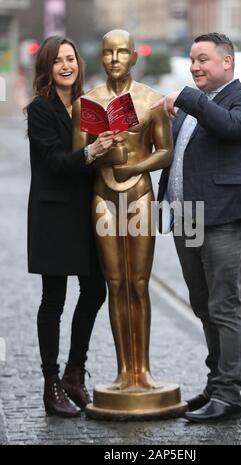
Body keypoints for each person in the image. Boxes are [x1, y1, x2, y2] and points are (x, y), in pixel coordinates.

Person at [153, 33, 241, 422]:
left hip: (226, 217)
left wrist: (188, 97)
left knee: (226, 307)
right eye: (192, 59)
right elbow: (171, 155)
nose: (195, 66)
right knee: (203, 305)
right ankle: (216, 383)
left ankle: (229, 397)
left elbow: (230, 128)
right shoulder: (189, 111)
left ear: (227, 62)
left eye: (203, 59)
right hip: (188, 217)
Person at [72, 29, 173, 392]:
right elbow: (76, 160)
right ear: (100, 57)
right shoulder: (87, 103)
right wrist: (97, 149)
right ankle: (122, 370)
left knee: (139, 283)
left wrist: (136, 166)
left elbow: (166, 151)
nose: (115, 59)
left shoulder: (153, 100)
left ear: (134, 56)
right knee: (115, 283)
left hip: (139, 195)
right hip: (103, 197)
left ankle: (142, 370)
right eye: (108, 53)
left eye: (122, 53)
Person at [26, 36, 115, 417]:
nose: (67, 65)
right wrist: (91, 152)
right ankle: (51, 384)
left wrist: (112, 141)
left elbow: (91, 157)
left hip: (85, 212)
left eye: (71, 58)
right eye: (58, 60)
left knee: (95, 289)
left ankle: (73, 374)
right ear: (46, 68)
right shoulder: (41, 110)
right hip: (54, 213)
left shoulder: (87, 105)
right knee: (53, 301)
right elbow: (56, 163)